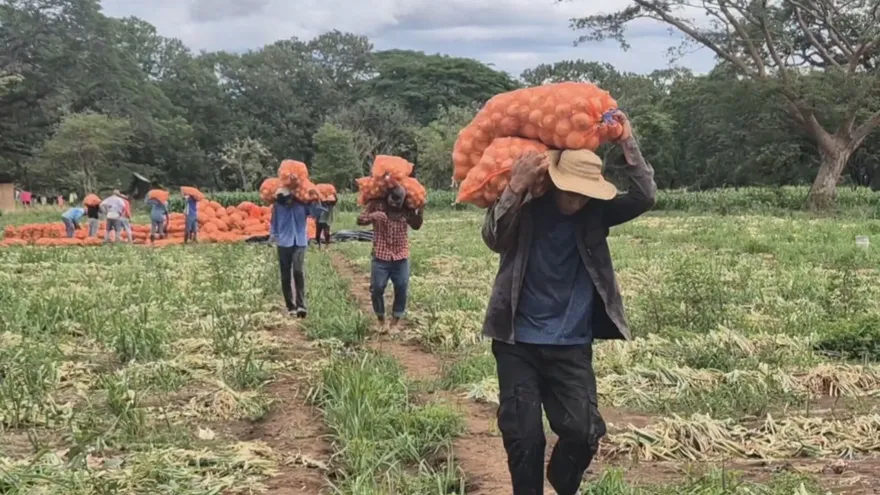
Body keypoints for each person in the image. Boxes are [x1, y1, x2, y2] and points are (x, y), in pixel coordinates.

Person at [482, 111, 656, 495]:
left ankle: (562, 482)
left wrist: (627, 140)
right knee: (523, 435)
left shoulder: (597, 212)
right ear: (556, 182)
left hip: (571, 343)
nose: (578, 199)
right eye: (571, 189)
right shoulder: (526, 206)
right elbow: (494, 238)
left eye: (585, 192)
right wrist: (516, 186)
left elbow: (646, 196)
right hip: (517, 341)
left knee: (584, 431)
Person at [356, 184, 423, 328]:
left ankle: (395, 322)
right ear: (387, 197)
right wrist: (372, 216)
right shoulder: (376, 205)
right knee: (377, 288)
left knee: (402, 286)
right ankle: (381, 319)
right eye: (392, 201)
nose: (394, 204)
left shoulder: (407, 208)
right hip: (381, 254)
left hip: (401, 255)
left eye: (398, 202)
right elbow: (360, 220)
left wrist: (420, 211)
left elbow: (416, 226)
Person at [270, 188, 323, 317]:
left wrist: (316, 200)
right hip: (283, 242)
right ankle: (290, 306)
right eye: (284, 198)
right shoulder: (277, 206)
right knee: (285, 275)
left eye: (288, 198)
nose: (286, 201)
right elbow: (274, 223)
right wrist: (273, 236)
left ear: (293, 196)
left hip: (300, 242)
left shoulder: (302, 205)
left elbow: (316, 213)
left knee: (298, 271)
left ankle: (301, 305)